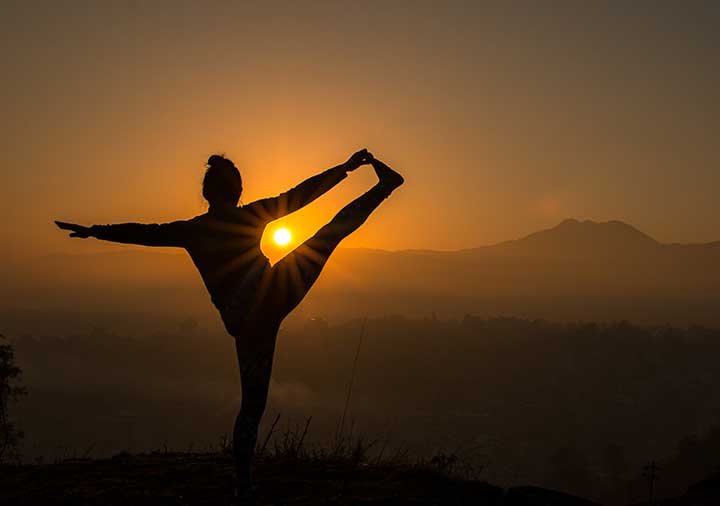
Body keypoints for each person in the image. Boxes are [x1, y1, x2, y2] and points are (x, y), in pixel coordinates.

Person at [55, 149, 403, 501]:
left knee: (251, 405)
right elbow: (301, 195)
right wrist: (343, 168)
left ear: (207, 193)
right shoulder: (248, 217)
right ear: (237, 192)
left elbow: (145, 233)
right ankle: (383, 187)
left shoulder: (195, 231)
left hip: (244, 322)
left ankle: (243, 483)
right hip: (272, 297)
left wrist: (95, 231)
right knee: (327, 236)